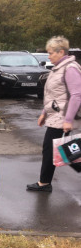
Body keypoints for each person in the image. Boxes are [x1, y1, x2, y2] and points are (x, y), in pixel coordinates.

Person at [27, 36, 81, 193]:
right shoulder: (57, 68)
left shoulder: (70, 68)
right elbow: (53, 96)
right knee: (57, 150)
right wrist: (44, 113)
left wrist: (68, 120)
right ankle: (44, 182)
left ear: (61, 52)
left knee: (55, 149)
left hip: (63, 116)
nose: (48, 56)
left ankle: (44, 183)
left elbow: (77, 95)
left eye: (51, 53)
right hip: (55, 115)